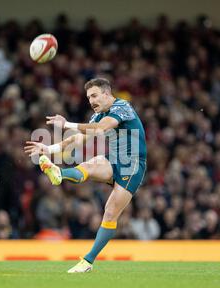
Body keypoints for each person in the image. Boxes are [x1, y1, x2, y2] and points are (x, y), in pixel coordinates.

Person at [24, 78, 147, 272]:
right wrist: (49, 148)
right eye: (89, 97)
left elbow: (100, 129)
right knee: (90, 164)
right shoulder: (98, 115)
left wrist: (66, 124)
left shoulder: (122, 107)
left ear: (107, 94)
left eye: (95, 95)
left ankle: (88, 261)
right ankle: (59, 173)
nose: (91, 101)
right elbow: (77, 139)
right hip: (113, 160)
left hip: (131, 166)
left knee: (110, 212)